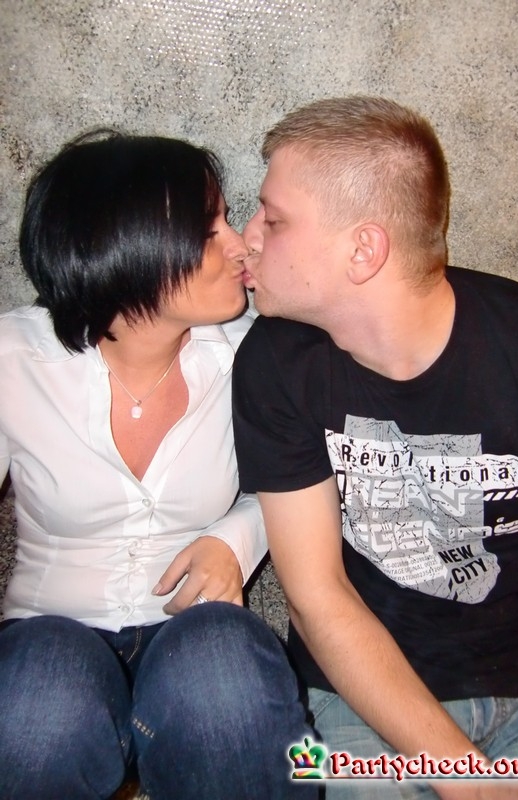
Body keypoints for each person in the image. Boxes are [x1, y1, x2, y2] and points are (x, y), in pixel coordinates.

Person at [232, 96, 518, 800]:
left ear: (363, 250)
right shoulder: (277, 363)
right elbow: (316, 599)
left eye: (272, 220)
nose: (246, 238)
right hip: (360, 691)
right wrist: (471, 783)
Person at [0, 130, 317, 800]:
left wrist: (236, 539)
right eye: (209, 230)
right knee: (39, 704)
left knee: (225, 675)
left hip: (196, 639)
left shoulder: (256, 354)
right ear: (126, 246)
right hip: (49, 642)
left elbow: (304, 481)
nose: (240, 245)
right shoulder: (12, 358)